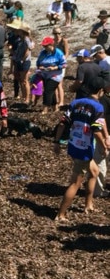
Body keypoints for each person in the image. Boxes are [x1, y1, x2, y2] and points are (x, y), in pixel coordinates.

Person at [54, 77, 108, 221]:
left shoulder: (76, 103)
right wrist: (104, 147)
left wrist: (57, 142)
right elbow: (96, 131)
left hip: (73, 144)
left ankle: (88, 204)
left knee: (94, 171)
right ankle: (61, 214)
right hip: (84, 149)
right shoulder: (98, 107)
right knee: (75, 183)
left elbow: (62, 123)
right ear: (101, 91)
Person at [35, 36, 67, 114]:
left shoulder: (58, 53)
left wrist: (55, 68)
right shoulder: (43, 53)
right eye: (43, 46)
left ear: (51, 45)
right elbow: (38, 63)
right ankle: (55, 107)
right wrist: (40, 67)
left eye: (46, 46)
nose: (44, 47)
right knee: (51, 92)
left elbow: (64, 64)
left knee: (47, 91)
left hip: (55, 75)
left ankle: (45, 108)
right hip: (45, 74)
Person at [10, 22, 34, 103]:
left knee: (25, 80)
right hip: (20, 60)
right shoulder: (22, 39)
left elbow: (28, 51)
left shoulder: (26, 39)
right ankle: (24, 97)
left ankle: (27, 98)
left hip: (24, 61)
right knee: (21, 80)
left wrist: (22, 59)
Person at [52, 26, 69, 107]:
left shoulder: (64, 41)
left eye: (59, 33)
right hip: (54, 64)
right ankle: (56, 101)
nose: (57, 35)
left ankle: (61, 101)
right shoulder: (52, 42)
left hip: (61, 64)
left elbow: (67, 53)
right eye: (55, 33)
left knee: (59, 83)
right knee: (54, 83)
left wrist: (61, 61)